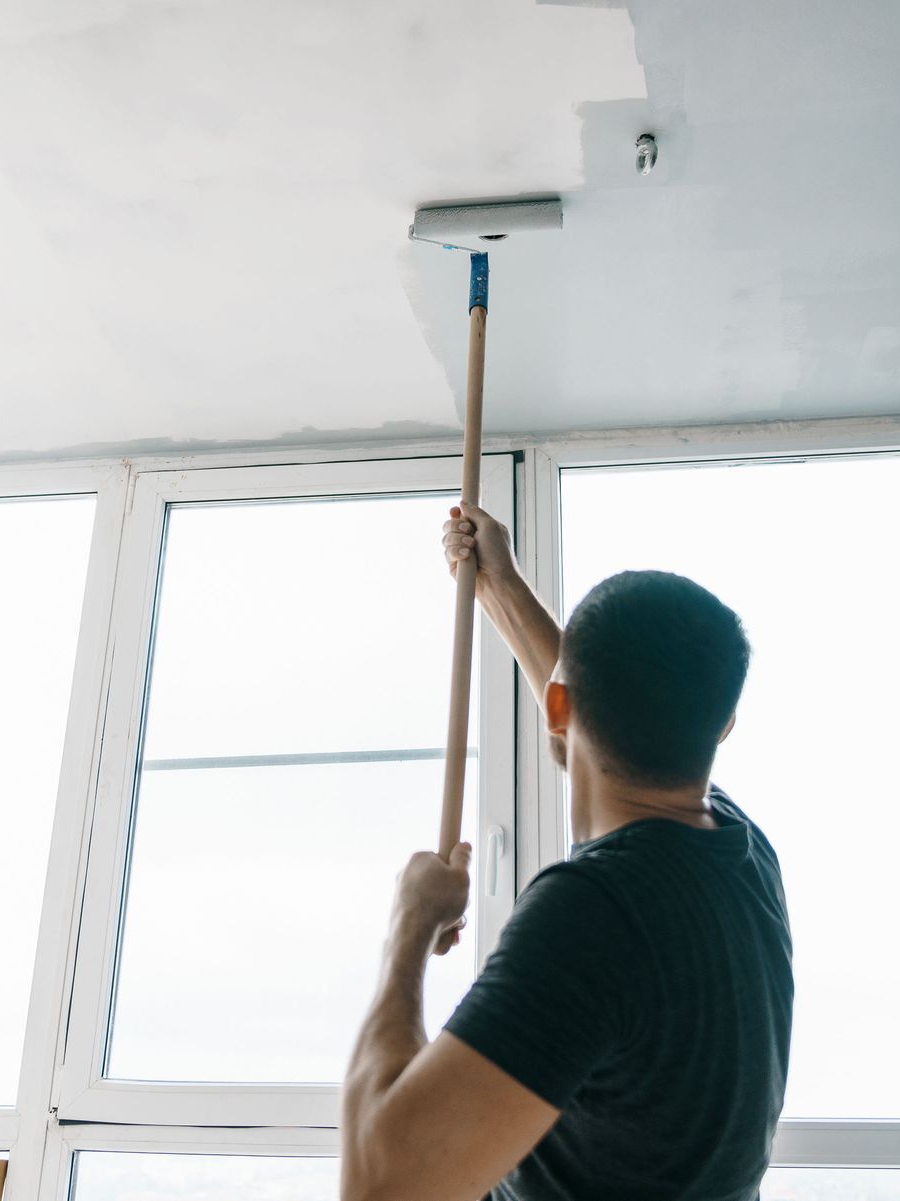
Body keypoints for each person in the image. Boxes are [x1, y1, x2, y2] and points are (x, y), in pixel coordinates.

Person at [339, 504, 795, 1201]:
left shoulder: (594, 915)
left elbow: (379, 1184)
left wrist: (410, 924)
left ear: (559, 703)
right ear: (724, 723)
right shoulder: (742, 851)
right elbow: (604, 727)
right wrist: (500, 586)